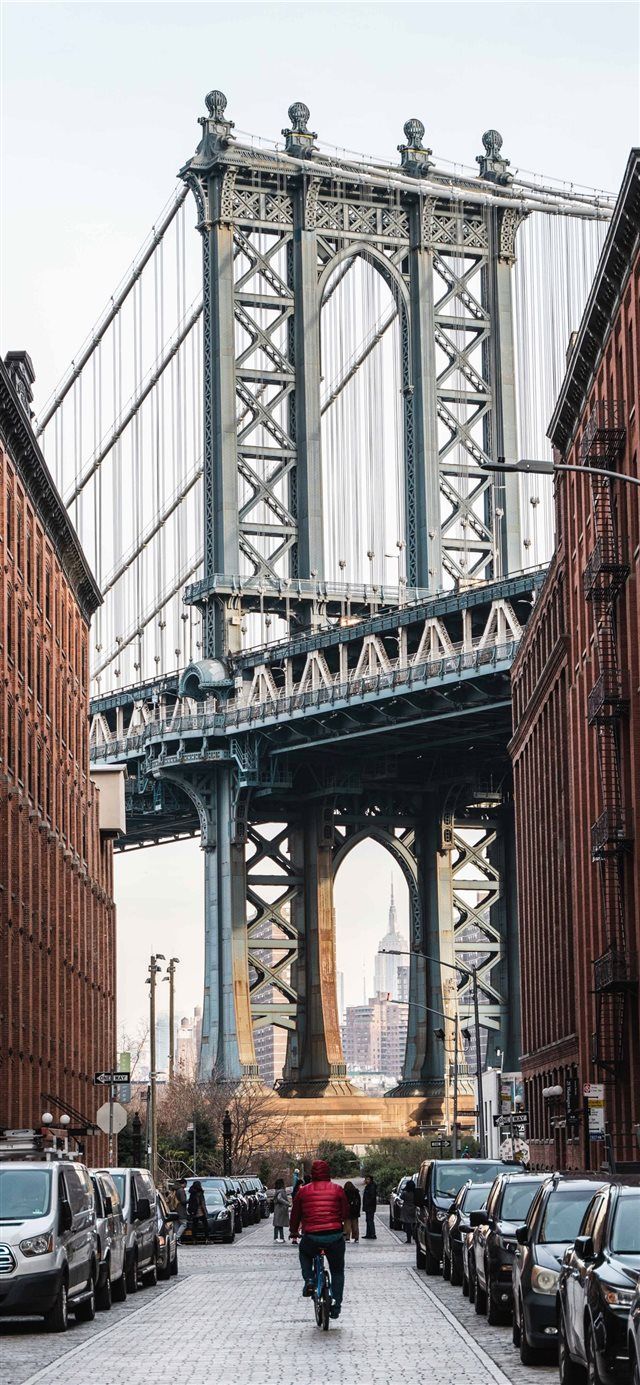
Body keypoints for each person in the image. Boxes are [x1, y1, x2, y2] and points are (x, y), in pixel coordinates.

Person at [289, 1159, 350, 1320]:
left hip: (312, 1236)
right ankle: (336, 1305)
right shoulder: (337, 1190)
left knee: (304, 1253)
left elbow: (295, 1214)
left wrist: (294, 1231)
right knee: (337, 1271)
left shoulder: (303, 1191)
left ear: (312, 1173)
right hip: (334, 1236)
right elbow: (345, 1212)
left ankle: (309, 1279)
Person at [272, 1178, 290, 1242]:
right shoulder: (281, 1191)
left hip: (278, 1209)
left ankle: (281, 1237)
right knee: (278, 1224)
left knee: (279, 1224)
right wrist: (287, 1203)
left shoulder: (277, 1191)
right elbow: (279, 1198)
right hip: (280, 1209)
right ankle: (277, 1238)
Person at [400, 1178, 416, 1244]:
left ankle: (408, 1239)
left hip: (406, 1209)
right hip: (414, 1208)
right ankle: (415, 1236)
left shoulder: (405, 1193)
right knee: (414, 1223)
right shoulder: (415, 1193)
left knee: (408, 1225)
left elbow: (401, 1197)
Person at [362, 1174, 377, 1239]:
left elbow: (372, 1197)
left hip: (370, 1206)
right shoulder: (368, 1186)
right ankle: (368, 1234)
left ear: (371, 1180)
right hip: (368, 1206)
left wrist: (367, 1203)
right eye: (366, 1179)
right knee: (368, 1220)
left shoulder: (372, 1187)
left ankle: (373, 1234)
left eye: (368, 1179)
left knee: (370, 1220)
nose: (366, 1180)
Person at [174, 1178, 189, 1244]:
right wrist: (188, 1201)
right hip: (180, 1210)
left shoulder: (176, 1190)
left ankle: (175, 1239)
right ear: (184, 1183)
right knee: (184, 1224)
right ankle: (177, 1237)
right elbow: (183, 1201)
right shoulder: (181, 1190)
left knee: (177, 1224)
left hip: (175, 1209)